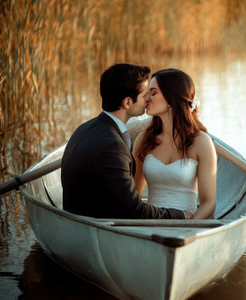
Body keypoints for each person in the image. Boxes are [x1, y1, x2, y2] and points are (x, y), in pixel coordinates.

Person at [61, 63, 190, 219]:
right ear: (127, 102)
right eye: (145, 95)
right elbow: (134, 211)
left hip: (77, 216)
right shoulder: (112, 145)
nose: (148, 99)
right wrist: (180, 215)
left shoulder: (84, 128)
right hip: (96, 226)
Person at [133, 68, 217, 219]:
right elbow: (134, 196)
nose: (146, 98)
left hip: (187, 226)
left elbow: (209, 203)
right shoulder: (143, 140)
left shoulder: (201, 142)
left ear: (171, 99)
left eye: (153, 93)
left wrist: (187, 229)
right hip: (149, 223)